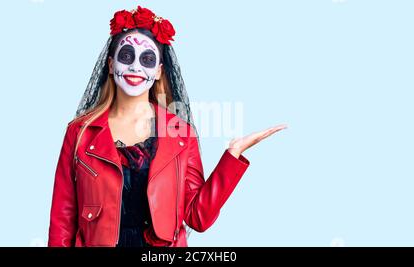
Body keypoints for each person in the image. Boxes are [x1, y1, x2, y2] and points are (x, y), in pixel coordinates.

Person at [48, 6, 287, 247]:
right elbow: (62, 220)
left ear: (159, 71)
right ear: (111, 65)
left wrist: (233, 155)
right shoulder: (79, 132)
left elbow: (198, 217)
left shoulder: (180, 133)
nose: (135, 67)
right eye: (126, 56)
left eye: (148, 59)